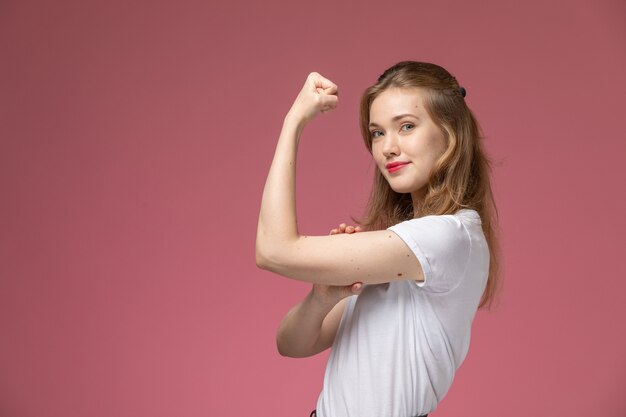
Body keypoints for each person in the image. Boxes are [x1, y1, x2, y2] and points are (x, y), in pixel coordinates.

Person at [256, 61, 500, 417]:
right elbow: (291, 344)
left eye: (406, 126)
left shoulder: (448, 237)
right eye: (377, 133)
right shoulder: (400, 250)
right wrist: (322, 296)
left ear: (451, 134)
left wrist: (294, 122)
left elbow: (273, 250)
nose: (388, 147)